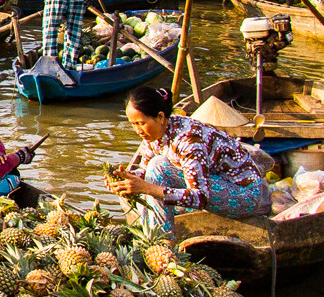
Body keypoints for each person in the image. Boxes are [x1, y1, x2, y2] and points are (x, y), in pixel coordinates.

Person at [104, 87, 269, 219]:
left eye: (141, 123)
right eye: (133, 124)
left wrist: (147, 188)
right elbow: (144, 170)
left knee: (158, 168)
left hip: (246, 196)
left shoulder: (189, 142)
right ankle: (158, 239)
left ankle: (164, 243)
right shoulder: (154, 135)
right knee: (154, 167)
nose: (137, 130)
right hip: (215, 184)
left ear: (160, 117)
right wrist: (125, 178)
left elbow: (200, 197)